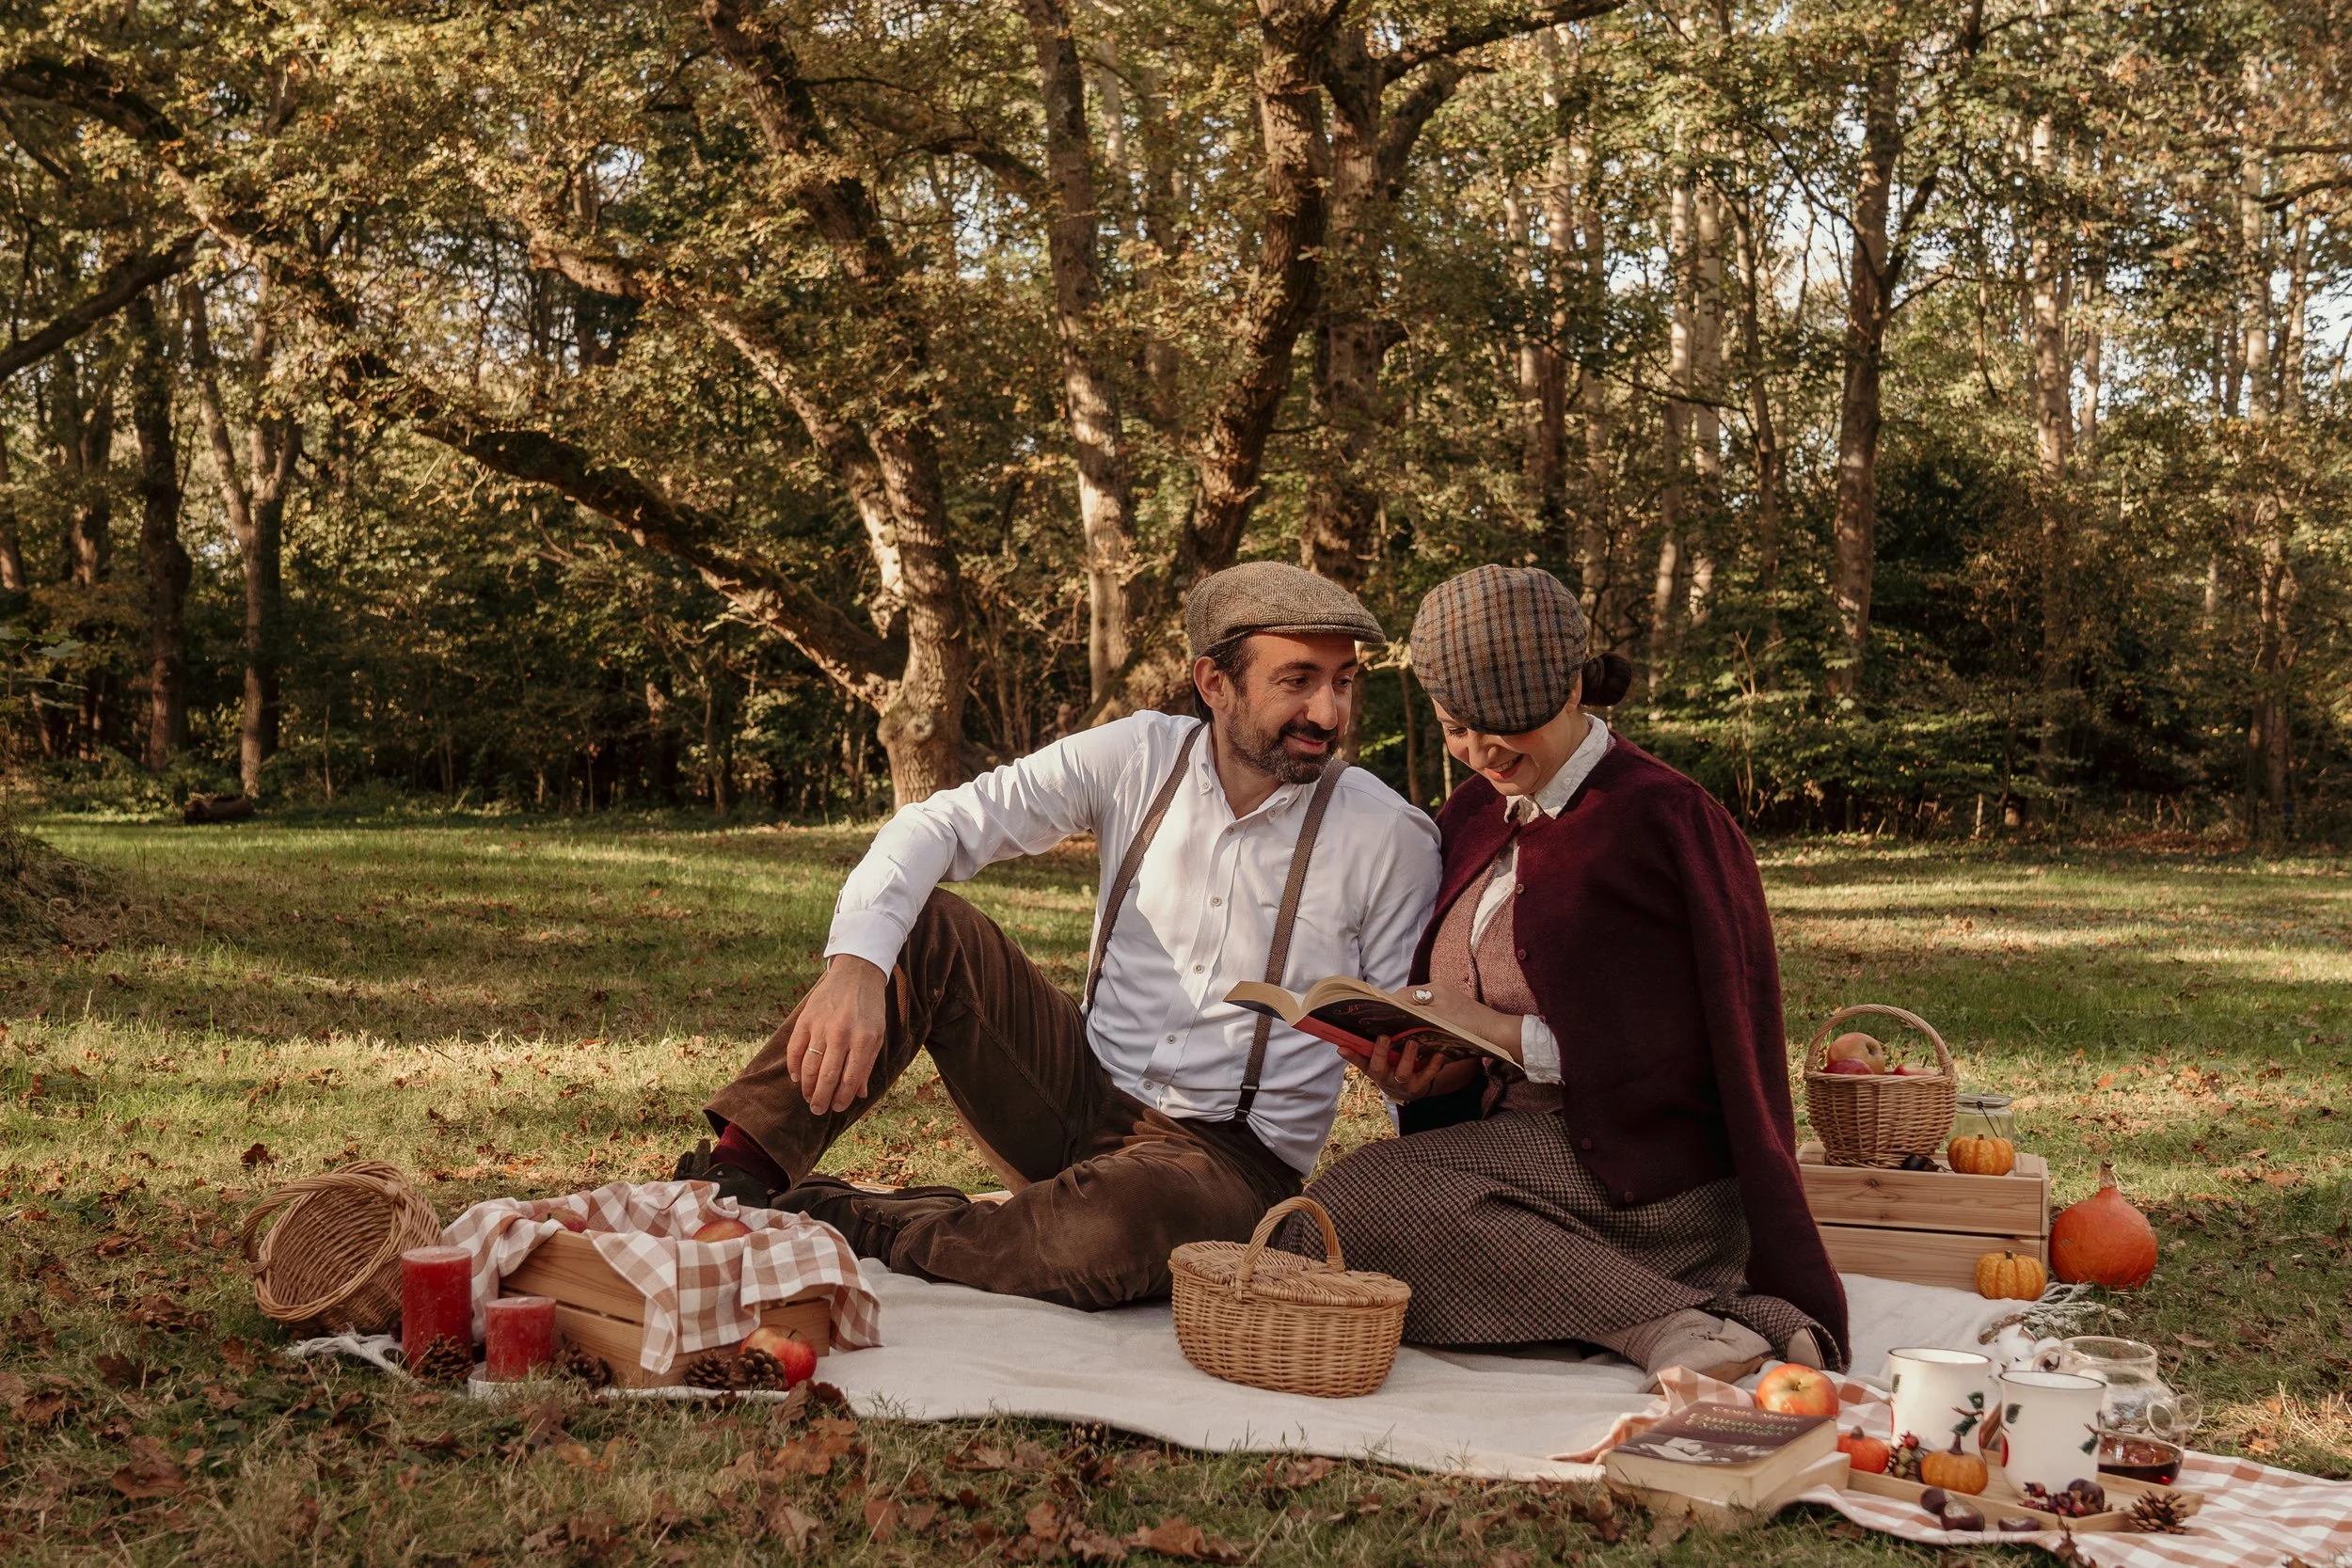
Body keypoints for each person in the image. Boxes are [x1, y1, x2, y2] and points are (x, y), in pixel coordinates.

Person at [677, 562, 1440, 1310]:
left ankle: (833, 1217)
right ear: (1214, 684)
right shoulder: (1137, 756)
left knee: (1112, 1226)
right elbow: (941, 822)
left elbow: (1407, 1023)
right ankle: (734, 1180)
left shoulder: (1386, 834)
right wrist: (854, 967)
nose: (1329, 713)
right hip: (1074, 1091)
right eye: (1298, 680)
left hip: (1224, 1167)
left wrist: (1409, 1081)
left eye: (1342, 681)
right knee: (925, 926)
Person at [1283, 564, 1848, 1379]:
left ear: (1573, 689)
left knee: (1359, 1205)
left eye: (1504, 726)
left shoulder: (1667, 817)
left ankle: (1657, 1321)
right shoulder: (1474, 812)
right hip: (1519, 1160)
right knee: (1323, 1223)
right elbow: (1466, 1023)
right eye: (1454, 728)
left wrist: (1497, 1031)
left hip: (1654, 1173)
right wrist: (1426, 1072)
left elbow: (1709, 1040)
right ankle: (1716, 1313)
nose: (1480, 752)